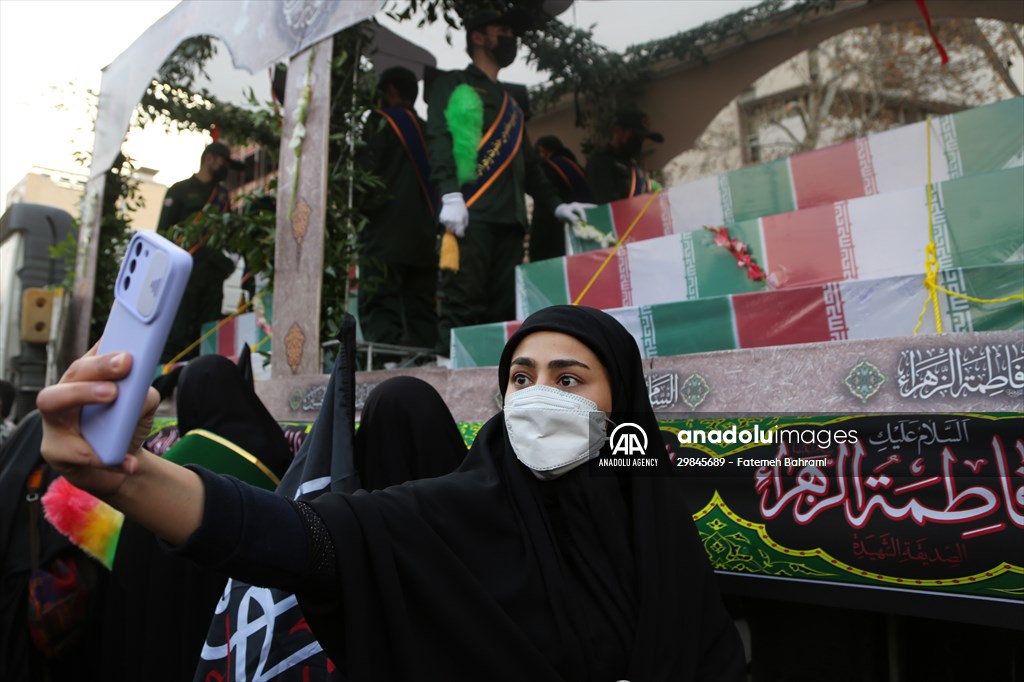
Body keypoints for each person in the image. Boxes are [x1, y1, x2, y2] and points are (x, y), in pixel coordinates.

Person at [38, 305, 746, 680]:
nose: (536, 397)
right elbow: (303, 538)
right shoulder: (452, 515)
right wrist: (123, 478)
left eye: (568, 380)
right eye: (520, 378)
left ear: (618, 400)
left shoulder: (657, 537)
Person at [426, 9, 592, 354]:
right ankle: (446, 394)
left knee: (502, 317)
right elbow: (441, 141)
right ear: (478, 37)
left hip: (511, 222)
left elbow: (530, 167)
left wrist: (556, 205)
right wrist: (449, 194)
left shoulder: (511, 104)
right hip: (472, 217)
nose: (509, 38)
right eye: (501, 30)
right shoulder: (453, 83)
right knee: (461, 311)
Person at [358, 67, 440, 349]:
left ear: (390, 92)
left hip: (383, 237)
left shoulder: (379, 122)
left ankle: (383, 373)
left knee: (381, 313)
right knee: (422, 315)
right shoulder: (429, 130)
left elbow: (363, 180)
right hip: (424, 240)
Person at [156, 141, 243, 364]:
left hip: (212, 275)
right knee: (177, 332)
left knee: (206, 336)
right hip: (184, 275)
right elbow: (163, 234)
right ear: (210, 159)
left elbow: (226, 234)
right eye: (223, 163)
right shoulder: (180, 190)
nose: (226, 170)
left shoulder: (222, 196)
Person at [530, 135, 593, 261]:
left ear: (542, 151)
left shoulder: (549, 169)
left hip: (558, 236)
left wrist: (536, 247)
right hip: (587, 224)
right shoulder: (574, 166)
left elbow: (544, 211)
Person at [585, 109, 665, 205]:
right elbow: (605, 208)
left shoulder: (631, 162)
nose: (639, 142)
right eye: (635, 136)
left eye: (642, 138)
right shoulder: (601, 161)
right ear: (618, 131)